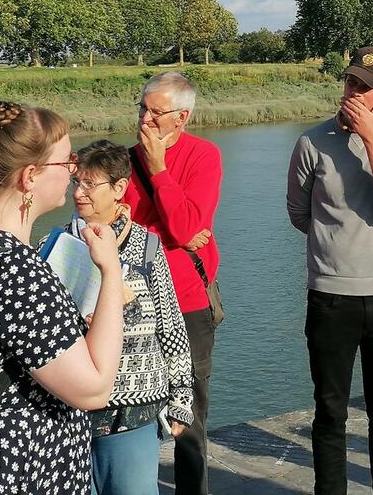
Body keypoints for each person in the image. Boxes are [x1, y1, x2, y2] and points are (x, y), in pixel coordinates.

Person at [0, 101, 126, 495]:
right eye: (66, 162)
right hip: (21, 471)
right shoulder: (15, 271)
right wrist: (111, 270)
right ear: (30, 177)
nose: (73, 172)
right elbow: (94, 390)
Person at [286, 46, 373, 495]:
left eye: (365, 86)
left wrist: (370, 139)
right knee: (329, 411)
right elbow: (299, 214)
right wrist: (336, 245)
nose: (354, 92)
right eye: (350, 83)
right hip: (330, 296)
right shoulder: (312, 141)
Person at [68, 139, 194, 495]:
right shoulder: (58, 243)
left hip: (135, 412)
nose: (79, 193)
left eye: (90, 184)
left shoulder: (146, 247)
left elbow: (171, 327)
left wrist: (180, 400)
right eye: (77, 182)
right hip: (74, 412)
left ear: (119, 188)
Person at [121, 72, 223, 495]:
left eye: (156, 112)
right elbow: (115, 230)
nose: (145, 119)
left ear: (182, 117)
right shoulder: (121, 161)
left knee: (190, 412)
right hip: (131, 302)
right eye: (142, 108)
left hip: (188, 301)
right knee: (131, 406)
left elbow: (187, 227)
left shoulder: (204, 156)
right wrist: (173, 233)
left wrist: (160, 170)